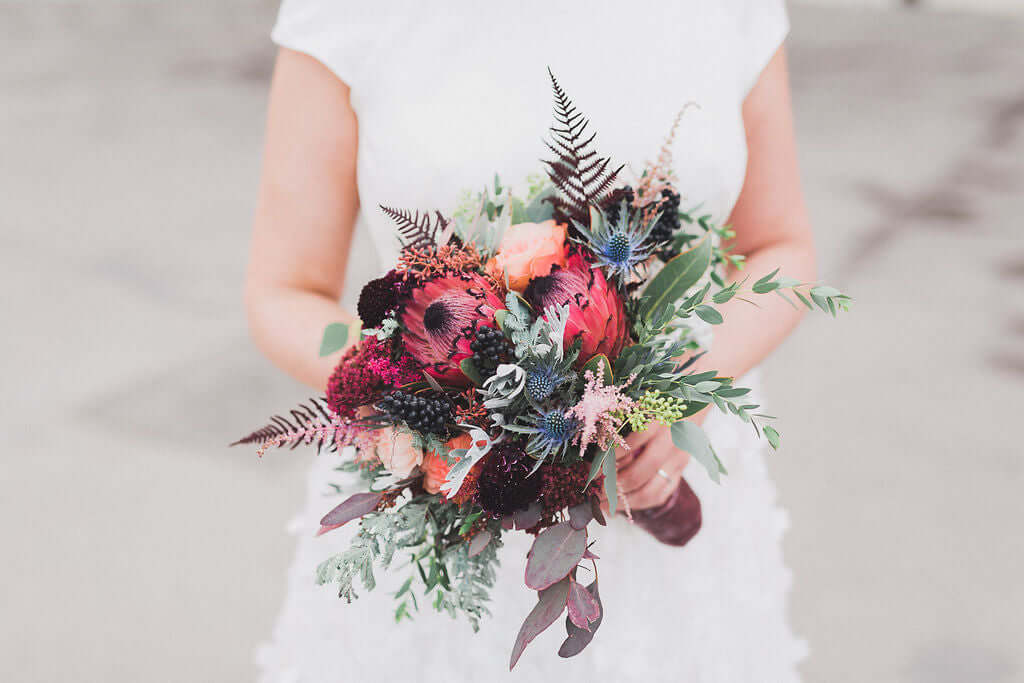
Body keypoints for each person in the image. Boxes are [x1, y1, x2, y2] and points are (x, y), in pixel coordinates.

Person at [246, 1, 814, 680]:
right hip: (446, 515)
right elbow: (285, 289)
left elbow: (780, 246)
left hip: (674, 494)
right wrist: (431, 400)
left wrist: (678, 392)